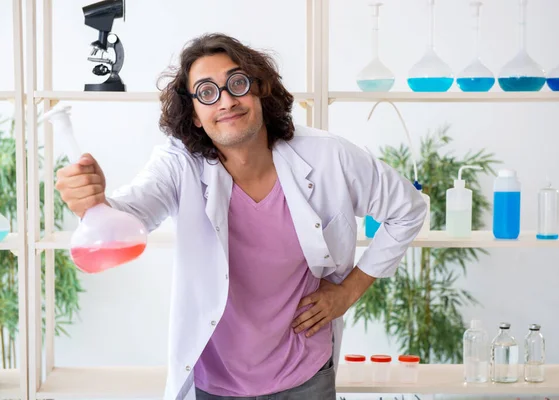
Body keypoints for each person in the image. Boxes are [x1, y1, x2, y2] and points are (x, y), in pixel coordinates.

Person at [55, 33, 427, 400]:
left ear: (260, 89)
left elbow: (407, 209)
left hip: (306, 377)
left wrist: (349, 290)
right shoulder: (179, 164)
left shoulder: (328, 156)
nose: (226, 101)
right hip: (214, 384)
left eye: (237, 83)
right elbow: (133, 211)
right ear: (195, 116)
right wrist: (94, 202)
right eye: (206, 92)